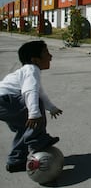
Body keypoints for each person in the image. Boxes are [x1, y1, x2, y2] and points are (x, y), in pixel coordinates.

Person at [0, 40, 62, 173]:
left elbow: (39, 92)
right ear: (35, 60)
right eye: (46, 53)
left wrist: (51, 108)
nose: (51, 56)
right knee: (34, 111)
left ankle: (16, 161)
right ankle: (37, 140)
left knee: (26, 128)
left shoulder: (28, 71)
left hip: (5, 104)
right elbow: (30, 91)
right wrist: (34, 114)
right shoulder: (31, 69)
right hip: (6, 101)